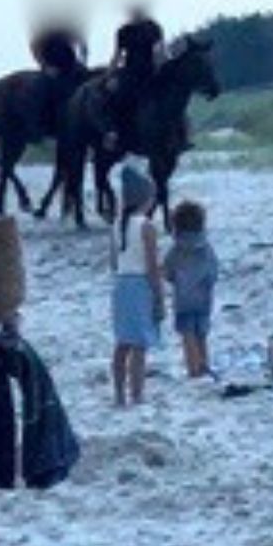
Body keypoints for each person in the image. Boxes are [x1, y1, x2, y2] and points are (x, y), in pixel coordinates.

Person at [110, 164, 164, 406]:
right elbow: (153, 267)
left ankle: (120, 393)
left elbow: (114, 262)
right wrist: (159, 297)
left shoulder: (117, 225)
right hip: (140, 284)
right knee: (140, 344)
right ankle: (137, 393)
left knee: (122, 342)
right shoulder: (147, 226)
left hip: (121, 284)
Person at [162, 200, 219, 379]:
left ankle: (193, 368)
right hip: (204, 297)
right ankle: (204, 364)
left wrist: (172, 278)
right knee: (201, 334)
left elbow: (168, 271)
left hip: (183, 298)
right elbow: (214, 270)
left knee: (188, 335)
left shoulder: (177, 250)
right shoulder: (206, 248)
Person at [102, 6, 165, 151]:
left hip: (148, 73)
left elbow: (159, 52)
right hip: (130, 73)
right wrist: (108, 76)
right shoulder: (124, 31)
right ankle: (112, 133)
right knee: (114, 97)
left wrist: (161, 67)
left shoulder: (153, 28)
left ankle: (181, 131)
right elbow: (117, 56)